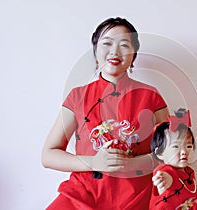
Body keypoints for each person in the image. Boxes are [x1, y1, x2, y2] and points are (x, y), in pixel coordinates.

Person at [42, 17, 169, 209]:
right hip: (83, 194)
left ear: (134, 55)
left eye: (124, 45)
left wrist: (133, 164)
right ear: (95, 51)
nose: (115, 51)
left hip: (137, 196)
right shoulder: (77, 95)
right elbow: (48, 155)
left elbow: (172, 152)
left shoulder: (152, 96)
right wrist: (93, 162)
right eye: (107, 43)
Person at [150, 108, 197, 210]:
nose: (184, 151)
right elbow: (164, 178)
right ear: (159, 153)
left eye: (188, 146)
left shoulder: (189, 172)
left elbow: (190, 200)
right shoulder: (166, 172)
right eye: (175, 147)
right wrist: (162, 180)